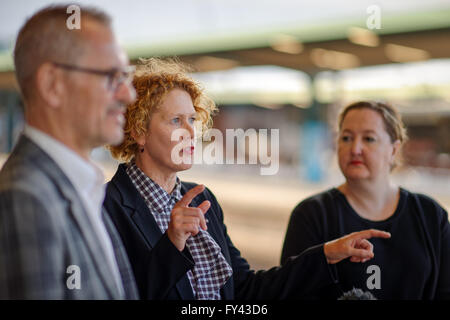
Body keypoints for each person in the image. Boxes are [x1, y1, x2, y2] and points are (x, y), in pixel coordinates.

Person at [103, 58, 391, 300]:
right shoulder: (106, 207)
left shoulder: (202, 199)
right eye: (176, 120)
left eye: (192, 120)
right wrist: (172, 243)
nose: (190, 133)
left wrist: (326, 254)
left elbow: (245, 290)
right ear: (139, 130)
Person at [0, 5, 138, 299]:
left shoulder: (79, 186)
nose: (129, 94)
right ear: (53, 85)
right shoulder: (26, 197)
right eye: (112, 76)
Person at [281, 101, 450, 300]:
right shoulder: (311, 214)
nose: (355, 148)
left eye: (369, 138)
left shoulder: (429, 214)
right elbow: (291, 291)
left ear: (394, 150)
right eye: (346, 138)